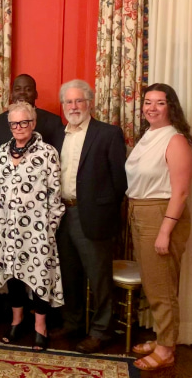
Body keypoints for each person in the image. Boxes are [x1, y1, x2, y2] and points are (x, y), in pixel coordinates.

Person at [51, 79, 127, 354]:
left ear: (89, 103)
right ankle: (73, 322)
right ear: (63, 106)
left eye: (78, 101)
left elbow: (120, 181)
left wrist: (102, 208)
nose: (73, 106)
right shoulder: (57, 135)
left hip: (93, 216)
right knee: (69, 274)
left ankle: (101, 330)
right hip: (63, 214)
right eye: (68, 102)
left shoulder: (108, 133)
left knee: (99, 277)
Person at [0, 102, 65, 351]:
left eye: (24, 122)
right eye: (14, 124)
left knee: (39, 275)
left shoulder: (47, 152)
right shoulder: (3, 152)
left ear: (33, 123)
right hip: (6, 227)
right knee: (13, 274)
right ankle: (17, 321)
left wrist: (49, 226)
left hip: (38, 228)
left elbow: (54, 193)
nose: (19, 127)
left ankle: (40, 326)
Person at [125, 84, 192, 371]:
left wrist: (165, 231)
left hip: (160, 215)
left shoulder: (175, 140)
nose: (151, 107)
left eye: (160, 103)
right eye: (147, 102)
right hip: (140, 212)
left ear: (171, 107)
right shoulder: (150, 136)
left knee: (162, 287)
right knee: (154, 284)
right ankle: (162, 338)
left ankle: (166, 349)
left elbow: (180, 192)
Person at [0, 74, 63, 162]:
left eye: (28, 89)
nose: (22, 93)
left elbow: (58, 155)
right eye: (18, 89)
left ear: (36, 94)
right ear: (11, 94)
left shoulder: (53, 122)